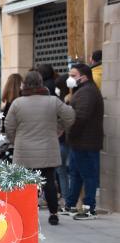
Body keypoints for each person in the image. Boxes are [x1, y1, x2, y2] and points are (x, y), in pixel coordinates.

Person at [4, 71, 75, 225]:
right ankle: (53, 213)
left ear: (25, 85)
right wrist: (59, 128)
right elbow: (70, 116)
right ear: (41, 83)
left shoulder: (18, 103)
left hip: (24, 150)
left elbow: (8, 125)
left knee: (24, 183)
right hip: (48, 148)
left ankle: (24, 213)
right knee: (49, 182)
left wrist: (14, 140)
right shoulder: (53, 101)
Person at [62, 63, 104, 220]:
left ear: (83, 77)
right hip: (78, 141)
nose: (70, 79)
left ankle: (89, 208)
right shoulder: (82, 91)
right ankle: (71, 205)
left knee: (88, 175)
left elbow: (81, 117)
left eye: (73, 76)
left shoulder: (88, 93)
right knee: (76, 174)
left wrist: (69, 131)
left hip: (85, 142)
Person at [54, 73, 71, 202]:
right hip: (66, 140)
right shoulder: (65, 99)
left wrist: (60, 130)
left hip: (63, 140)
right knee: (64, 170)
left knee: (61, 170)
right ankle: (66, 196)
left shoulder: (65, 99)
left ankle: (66, 196)